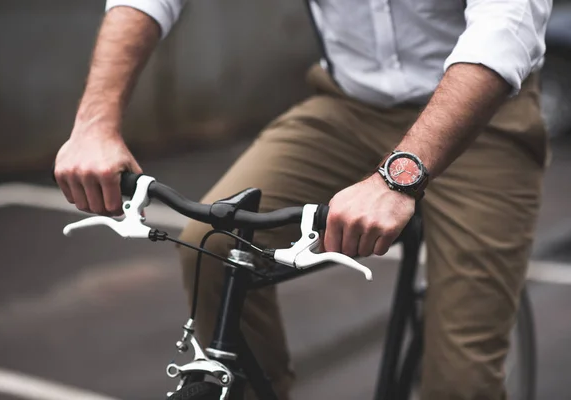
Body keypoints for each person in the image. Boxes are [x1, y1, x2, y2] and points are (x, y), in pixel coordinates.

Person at [54, 1, 552, 399]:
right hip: (347, 105)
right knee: (212, 242)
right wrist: (95, 123)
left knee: (462, 383)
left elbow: (505, 25)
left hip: (486, 118)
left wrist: (397, 180)